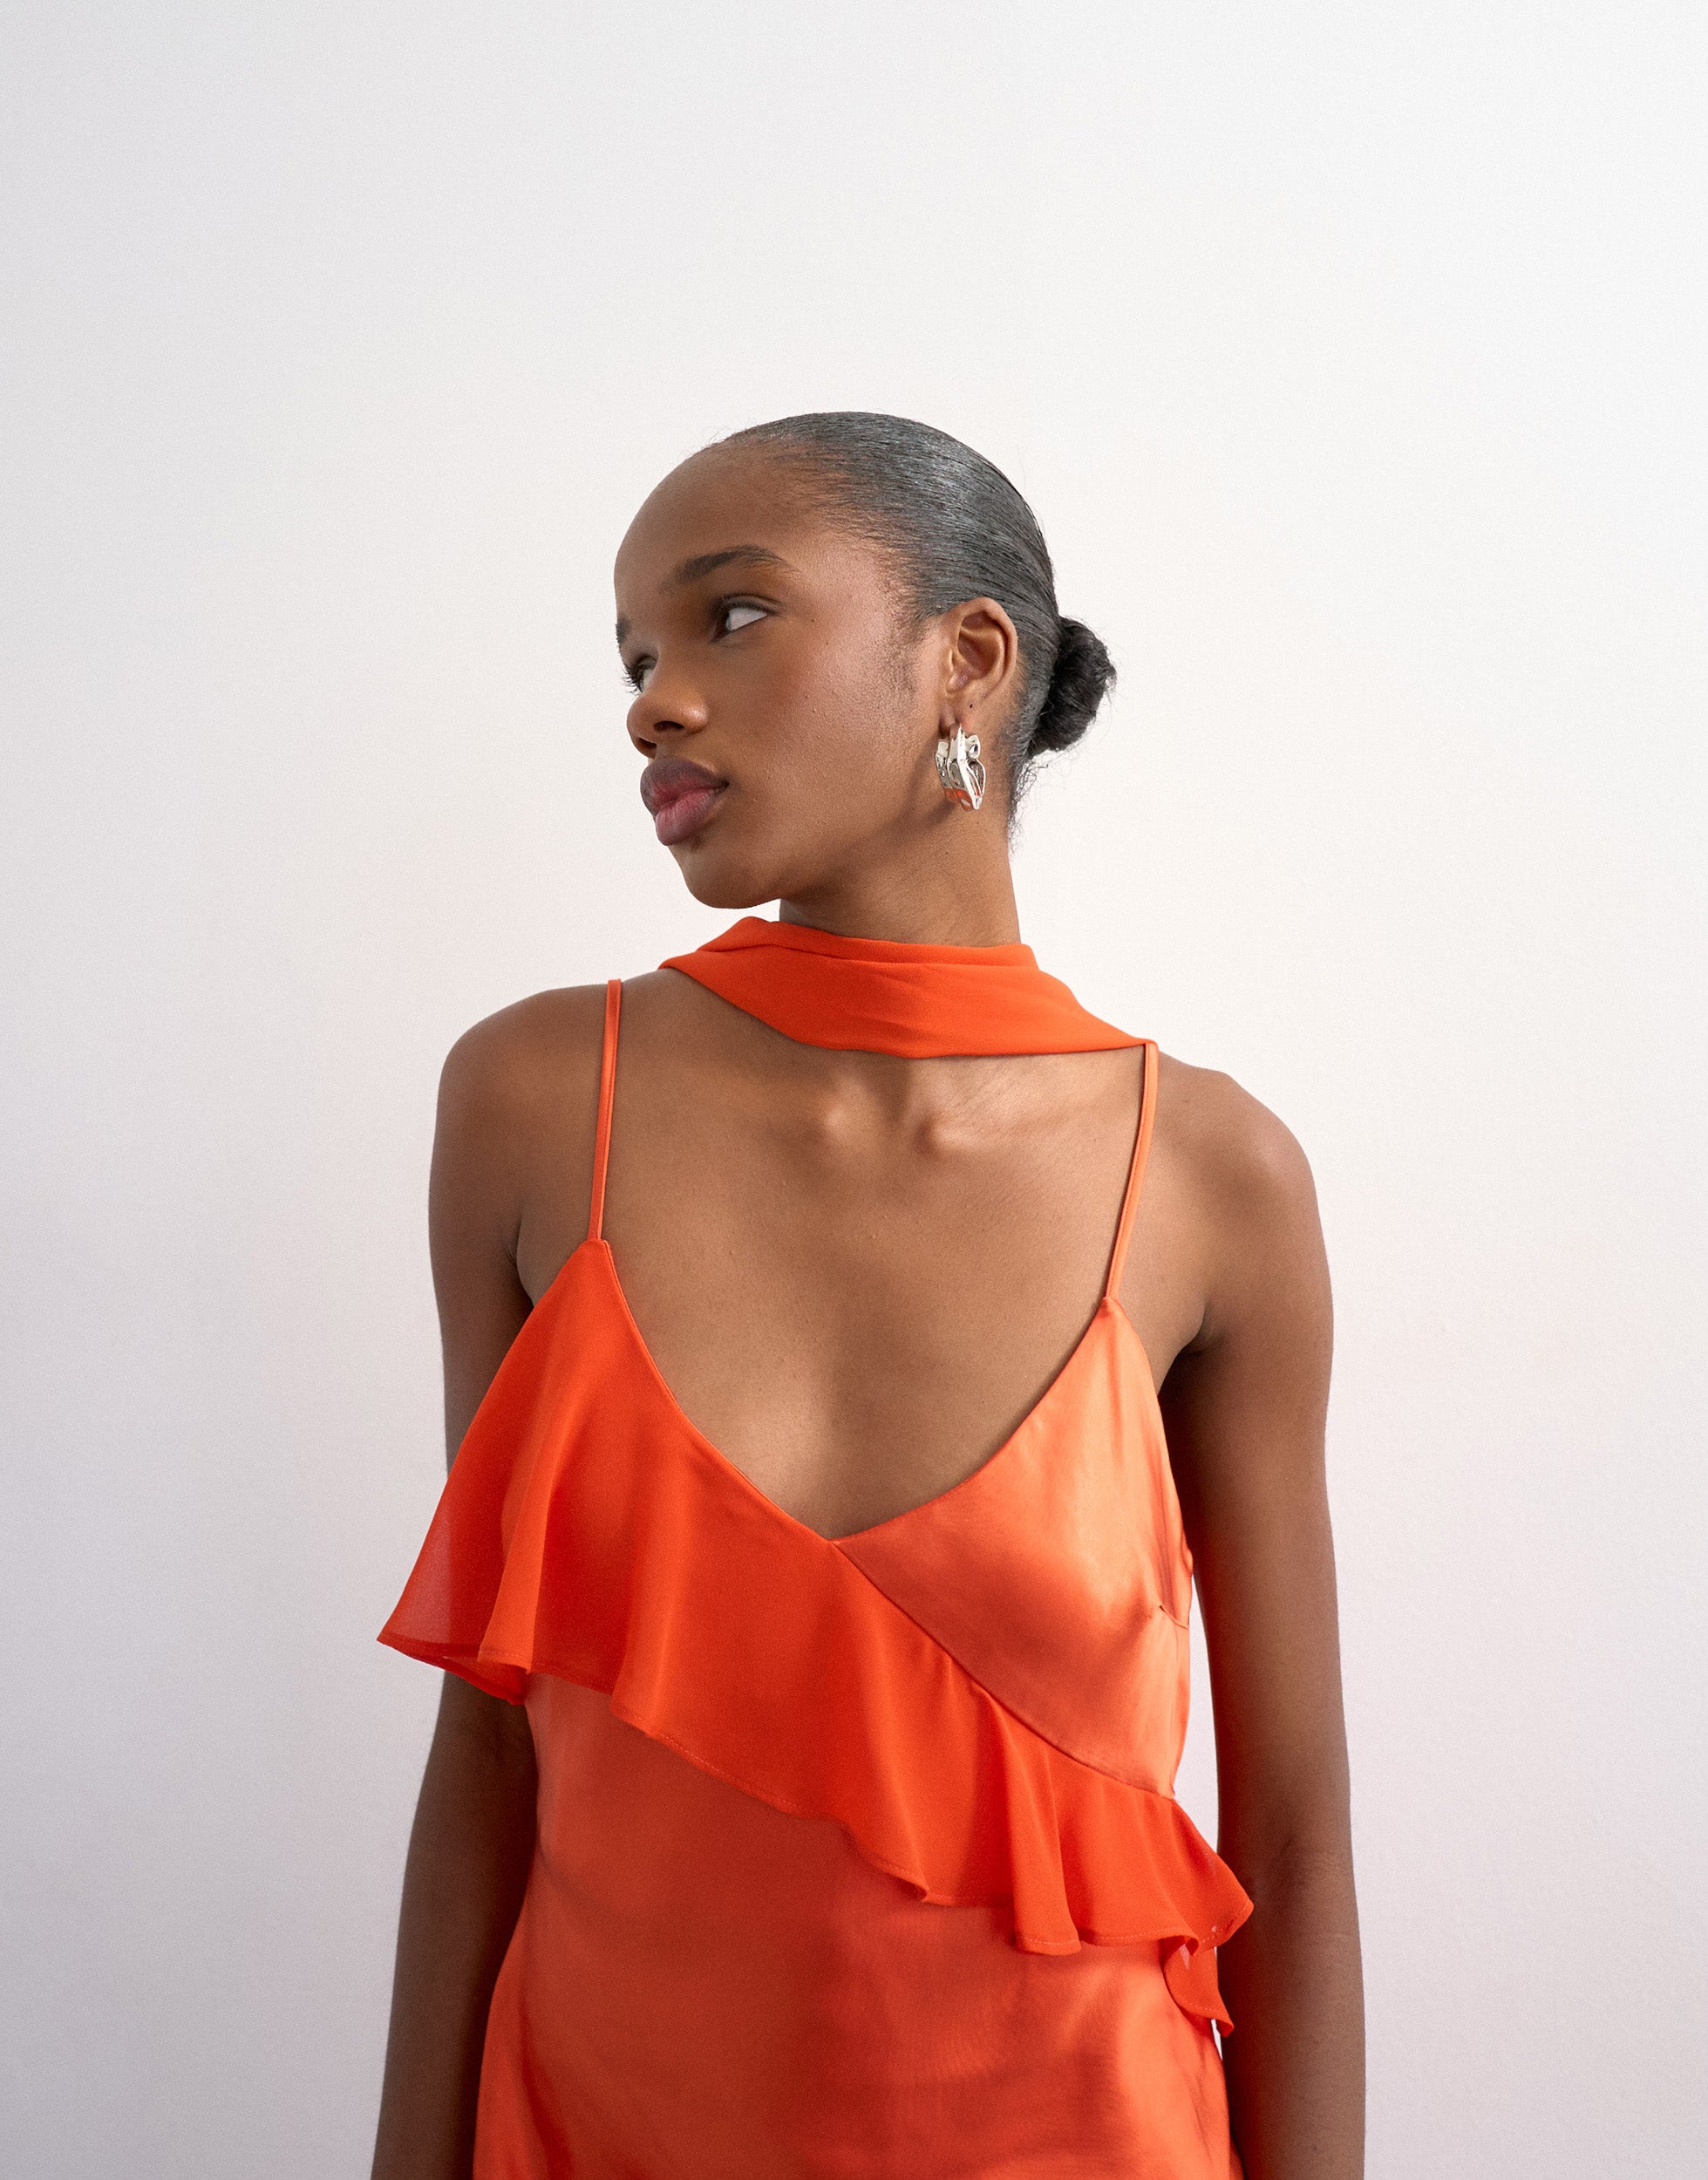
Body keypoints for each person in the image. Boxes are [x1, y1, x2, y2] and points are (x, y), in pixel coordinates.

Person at [371, 412, 1364, 2179]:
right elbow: (489, 1748)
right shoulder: (535, 1102)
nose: (653, 704)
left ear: (965, 661)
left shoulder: (1213, 1181)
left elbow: (1286, 1834)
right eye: (634, 659)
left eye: (732, 616)